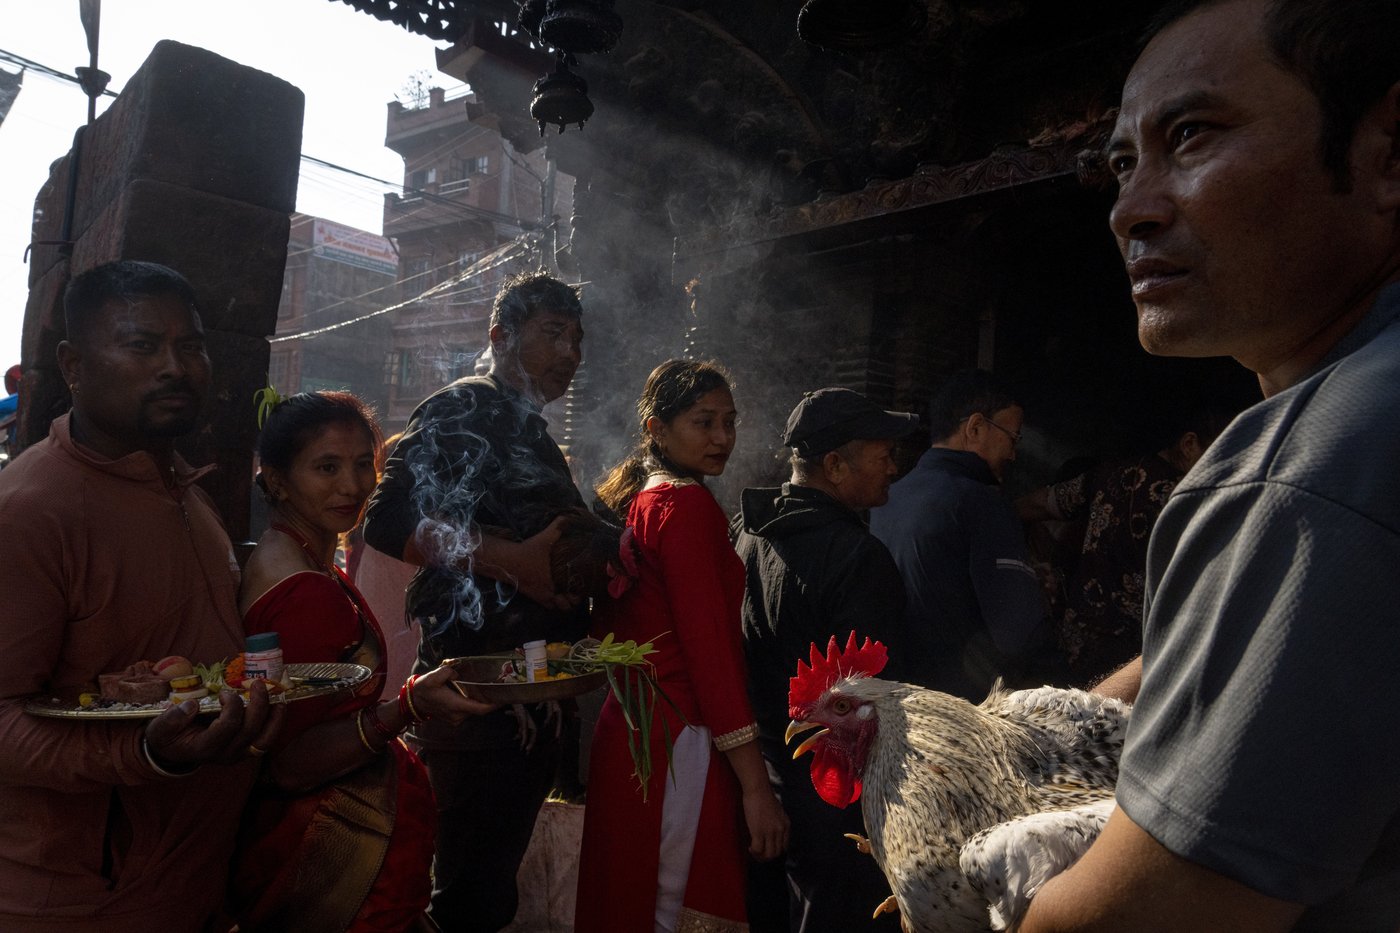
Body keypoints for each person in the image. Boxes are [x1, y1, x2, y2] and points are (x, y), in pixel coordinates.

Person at [1018, 1, 1400, 930]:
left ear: (1389, 154)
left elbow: (1137, 916)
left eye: (1190, 136)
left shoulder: (1321, 458)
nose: (1130, 210)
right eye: (1120, 162)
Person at [0, 260, 280, 931]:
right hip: (78, 902)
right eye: (142, 345)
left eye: (191, 347)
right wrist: (145, 754)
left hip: (193, 886)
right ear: (73, 365)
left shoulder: (189, 493)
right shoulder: (34, 511)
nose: (175, 368)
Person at [361, 271, 591, 931]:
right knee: (463, 899)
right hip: (472, 701)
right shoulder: (466, 405)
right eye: (554, 334)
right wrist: (514, 562)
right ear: (500, 335)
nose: (571, 353)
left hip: (519, 703)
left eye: (577, 339)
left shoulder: (536, 434)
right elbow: (389, 516)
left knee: (487, 892)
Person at [231, 391, 492, 932]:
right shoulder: (303, 591)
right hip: (334, 856)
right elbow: (291, 759)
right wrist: (408, 706)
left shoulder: (301, 560)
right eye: (326, 468)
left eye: (361, 465)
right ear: (277, 479)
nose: (352, 486)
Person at [575, 359, 790, 933]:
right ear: (656, 428)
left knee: (633, 902)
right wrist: (755, 789)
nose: (722, 437)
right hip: (677, 743)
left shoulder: (644, 500)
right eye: (704, 422)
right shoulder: (686, 508)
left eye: (729, 421)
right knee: (669, 910)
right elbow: (711, 658)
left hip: (633, 733)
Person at [735, 387, 916, 933]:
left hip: (761, 781)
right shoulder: (859, 557)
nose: (893, 466)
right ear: (835, 465)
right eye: (882, 453)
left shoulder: (745, 533)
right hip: (833, 793)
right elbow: (870, 699)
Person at [1014, 409, 1234, 683]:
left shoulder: (1109, 474)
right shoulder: (1190, 499)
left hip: (1076, 639)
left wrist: (1007, 517)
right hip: (1137, 656)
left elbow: (1038, 503)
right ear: (1189, 444)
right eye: (1223, 457)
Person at [870, 369, 1046, 700]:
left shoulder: (884, 500)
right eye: (1013, 437)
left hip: (898, 705)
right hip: (963, 712)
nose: (1013, 454)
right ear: (976, 427)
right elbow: (1018, 633)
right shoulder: (981, 503)